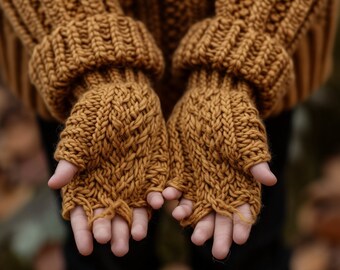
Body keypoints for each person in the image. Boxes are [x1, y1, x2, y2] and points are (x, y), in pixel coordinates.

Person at [0, 0, 337, 269]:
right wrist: (96, 68)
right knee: (107, 246)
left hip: (255, 70)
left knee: (244, 249)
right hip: (74, 69)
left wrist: (235, 66)